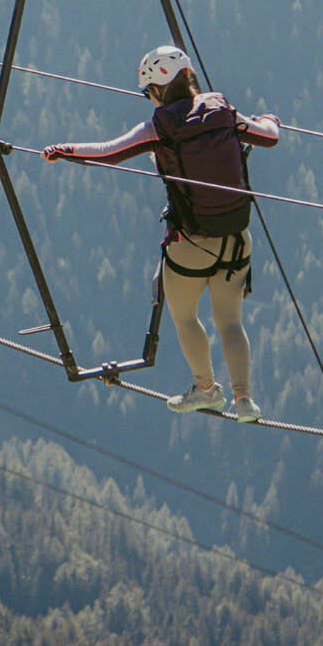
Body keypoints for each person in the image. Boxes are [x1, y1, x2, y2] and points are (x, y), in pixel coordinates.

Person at [42, 45, 279, 421]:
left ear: (156, 89)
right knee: (230, 321)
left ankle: (206, 390)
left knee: (185, 317)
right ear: (188, 77)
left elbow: (108, 152)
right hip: (236, 239)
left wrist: (63, 150)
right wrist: (270, 119)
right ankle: (244, 399)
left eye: (147, 92)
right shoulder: (223, 110)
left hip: (190, 245)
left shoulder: (159, 127)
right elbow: (268, 136)